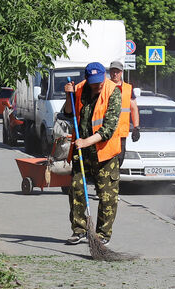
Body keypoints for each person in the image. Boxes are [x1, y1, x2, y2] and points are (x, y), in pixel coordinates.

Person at [62, 62, 122, 245]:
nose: (98, 86)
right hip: (82, 153)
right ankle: (79, 230)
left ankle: (103, 235)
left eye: (100, 82)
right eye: (94, 83)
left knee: (107, 196)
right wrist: (68, 95)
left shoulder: (113, 91)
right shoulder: (79, 88)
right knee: (77, 189)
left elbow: (108, 129)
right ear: (87, 80)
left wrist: (85, 142)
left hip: (105, 153)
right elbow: (67, 112)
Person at [108, 60, 141, 165]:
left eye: (117, 71)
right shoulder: (104, 87)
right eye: (113, 71)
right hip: (106, 131)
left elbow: (134, 108)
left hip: (121, 132)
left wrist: (136, 127)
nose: (115, 74)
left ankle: (115, 180)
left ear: (121, 72)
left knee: (119, 159)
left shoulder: (128, 88)